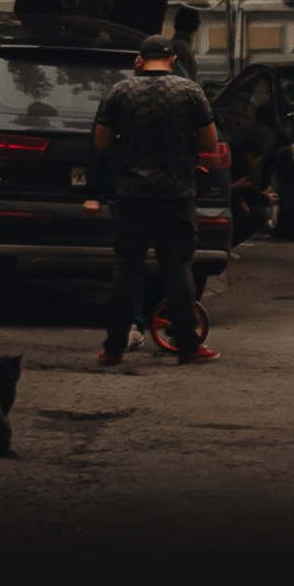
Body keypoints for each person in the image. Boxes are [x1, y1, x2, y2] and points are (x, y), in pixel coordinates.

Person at [92, 32, 223, 370]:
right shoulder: (190, 91)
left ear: (141, 58)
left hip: (132, 193)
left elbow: (102, 143)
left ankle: (113, 348)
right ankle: (188, 346)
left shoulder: (119, 91)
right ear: (173, 59)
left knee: (126, 268)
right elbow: (210, 142)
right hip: (176, 193)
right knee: (177, 268)